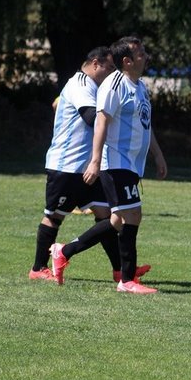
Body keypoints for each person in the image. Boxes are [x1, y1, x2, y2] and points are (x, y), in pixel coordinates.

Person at [29, 46, 150, 285]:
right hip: (68, 164)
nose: (112, 72)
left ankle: (120, 270)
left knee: (108, 216)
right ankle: (38, 268)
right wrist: (119, 117)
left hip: (90, 167)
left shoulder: (98, 87)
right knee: (54, 216)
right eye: (109, 67)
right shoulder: (81, 84)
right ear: (95, 63)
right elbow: (92, 118)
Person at [86, 36, 168, 294]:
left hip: (132, 164)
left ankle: (64, 251)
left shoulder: (140, 87)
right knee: (132, 215)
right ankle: (127, 280)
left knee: (119, 218)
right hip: (116, 161)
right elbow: (101, 122)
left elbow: (146, 125)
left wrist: (157, 155)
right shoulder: (114, 84)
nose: (146, 56)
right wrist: (95, 160)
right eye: (140, 53)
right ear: (127, 61)